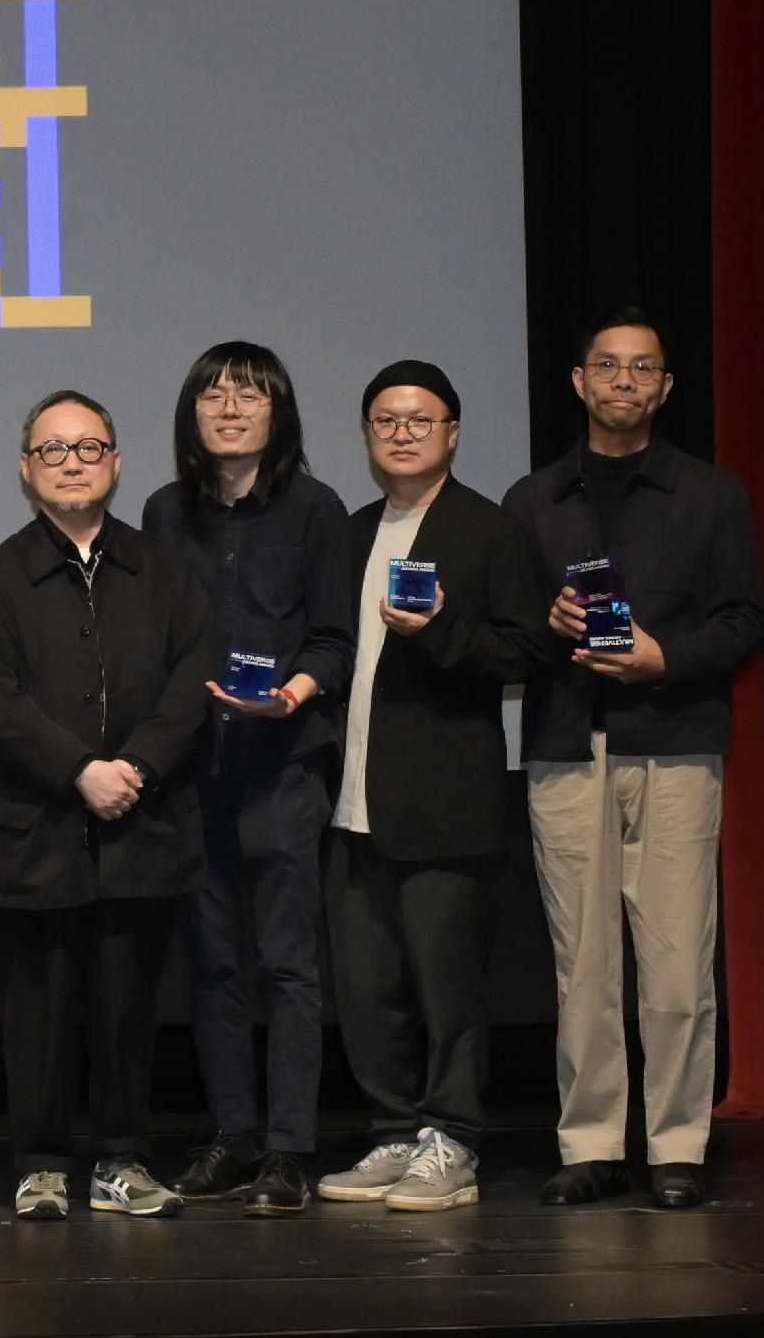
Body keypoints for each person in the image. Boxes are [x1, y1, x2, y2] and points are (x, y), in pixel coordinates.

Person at [502, 309, 762, 1210]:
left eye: (640, 367)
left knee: (680, 957)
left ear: (664, 386)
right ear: (578, 381)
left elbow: (743, 622)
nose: (622, 380)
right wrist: (548, 624)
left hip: (677, 737)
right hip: (566, 743)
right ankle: (591, 1142)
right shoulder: (532, 499)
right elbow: (511, 632)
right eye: (605, 364)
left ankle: (678, 1143)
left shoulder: (710, 494)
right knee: (583, 962)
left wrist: (664, 658)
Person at [0, 392, 216, 1222]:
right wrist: (79, 769)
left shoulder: (166, 568)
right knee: (35, 1008)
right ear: (26, 467)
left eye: (89, 446)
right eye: (52, 449)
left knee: (126, 1006)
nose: (72, 461)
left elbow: (192, 680)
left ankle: (121, 1157)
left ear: (115, 461)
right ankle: (39, 1163)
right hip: (33, 829)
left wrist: (133, 766)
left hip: (142, 825)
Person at [315, 360, 545, 1214]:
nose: (402, 432)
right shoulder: (350, 530)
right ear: (369, 436)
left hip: (447, 804)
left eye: (420, 419)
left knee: (448, 984)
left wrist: (442, 628)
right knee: (366, 985)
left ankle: (453, 1139)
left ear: (452, 432)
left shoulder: (490, 530)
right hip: (349, 802)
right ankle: (394, 1131)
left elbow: (525, 652)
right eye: (385, 419)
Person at [138, 342, 353, 1216]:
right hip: (193, 770)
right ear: (191, 414)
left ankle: (291, 1147)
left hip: (283, 763)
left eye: (250, 394)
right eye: (213, 394)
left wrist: (291, 694)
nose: (230, 407)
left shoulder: (316, 508)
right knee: (214, 963)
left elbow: (334, 638)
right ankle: (232, 1135)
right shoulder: (161, 512)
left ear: (278, 413)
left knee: (291, 964)